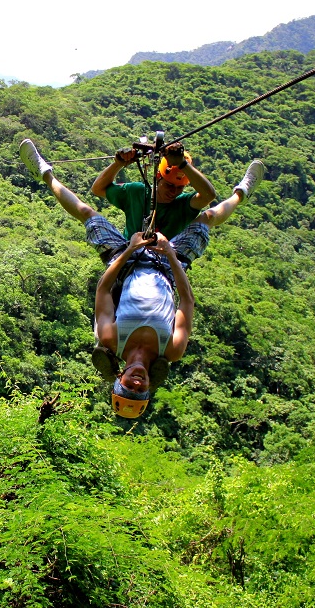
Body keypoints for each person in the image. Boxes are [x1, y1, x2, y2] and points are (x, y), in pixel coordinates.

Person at [19, 138, 194, 419]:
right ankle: (243, 190)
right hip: (166, 264)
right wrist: (170, 254)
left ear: (120, 377)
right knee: (207, 218)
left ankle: (44, 171)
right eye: (140, 389)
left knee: (88, 214)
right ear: (150, 384)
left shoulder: (111, 340)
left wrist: (131, 249)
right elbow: (187, 302)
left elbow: (103, 289)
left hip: (126, 262)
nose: (137, 383)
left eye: (129, 386)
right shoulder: (171, 350)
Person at [92, 145, 266, 268]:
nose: (173, 191)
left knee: (209, 217)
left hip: (168, 255)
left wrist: (183, 164)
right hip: (131, 251)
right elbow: (98, 189)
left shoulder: (183, 204)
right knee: (89, 215)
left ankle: (240, 193)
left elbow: (209, 195)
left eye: (179, 187)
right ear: (158, 177)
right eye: (169, 185)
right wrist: (118, 163)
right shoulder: (137, 192)